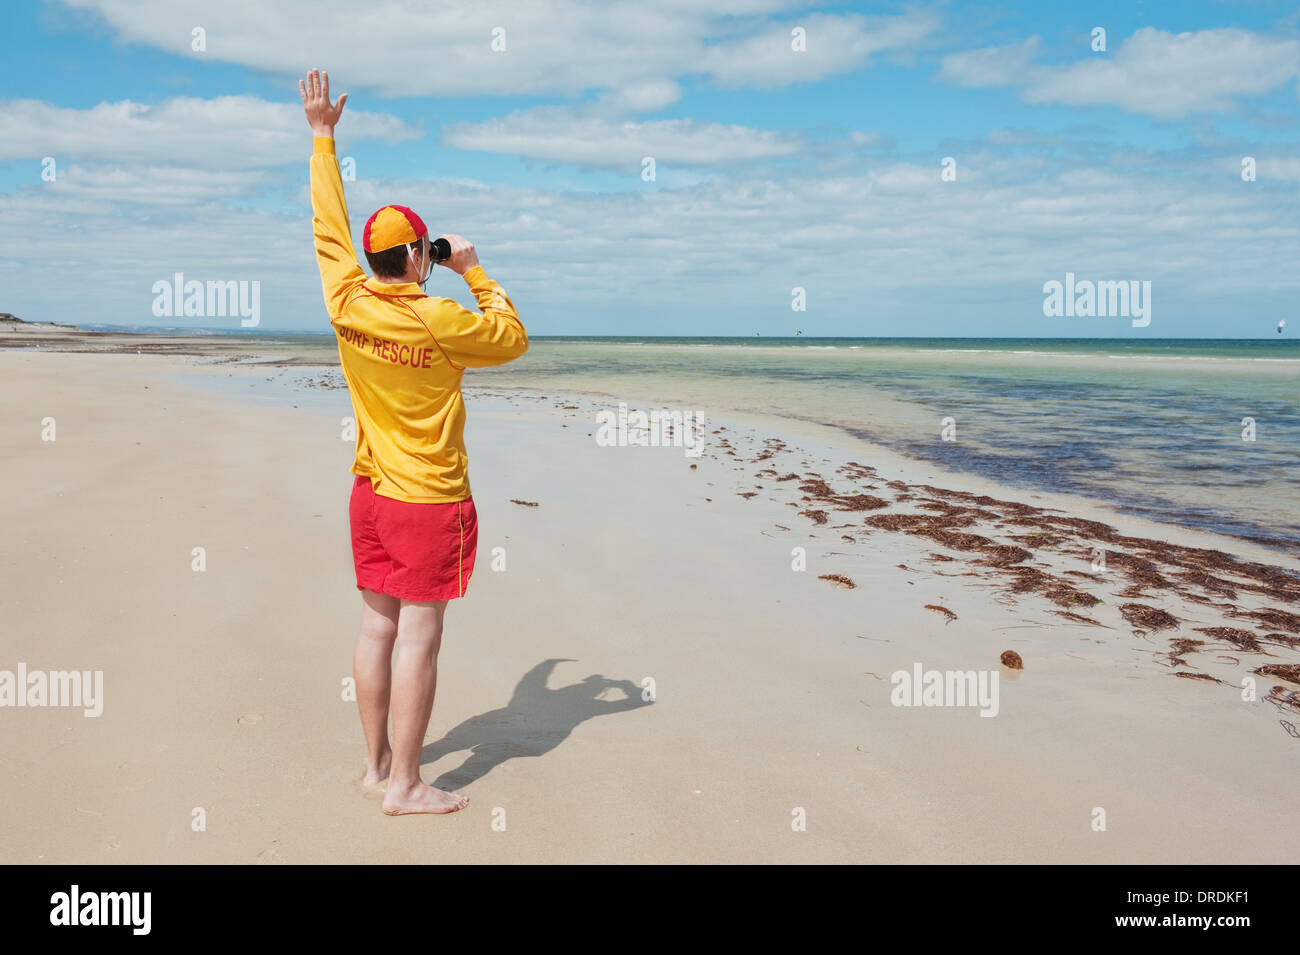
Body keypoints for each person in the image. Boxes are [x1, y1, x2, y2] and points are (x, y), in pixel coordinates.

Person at [300, 68, 528, 815]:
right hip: (427, 500)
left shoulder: (346, 296)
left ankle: (375, 768)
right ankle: (405, 784)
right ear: (419, 258)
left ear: (373, 260)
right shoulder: (441, 316)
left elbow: (327, 224)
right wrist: (473, 269)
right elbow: (514, 337)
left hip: (369, 492)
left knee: (377, 625)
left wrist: (323, 136)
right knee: (419, 637)